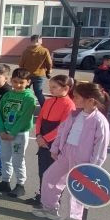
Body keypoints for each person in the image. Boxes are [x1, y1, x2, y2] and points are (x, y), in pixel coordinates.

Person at [33, 82, 110, 220]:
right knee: (50, 177)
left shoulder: (99, 121)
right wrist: (55, 148)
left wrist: (93, 167)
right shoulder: (75, 114)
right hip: (66, 152)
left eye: (76, 97)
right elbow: (62, 131)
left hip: (83, 160)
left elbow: (100, 147)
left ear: (90, 100)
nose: (73, 99)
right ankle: (49, 208)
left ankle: (75, 218)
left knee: (77, 187)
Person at [27, 75, 76, 208]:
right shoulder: (48, 101)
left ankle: (54, 201)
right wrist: (38, 135)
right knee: (43, 170)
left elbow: (62, 127)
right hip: (43, 140)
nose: (51, 89)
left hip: (56, 143)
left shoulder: (69, 105)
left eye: (54, 87)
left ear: (66, 88)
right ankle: (42, 196)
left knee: (54, 173)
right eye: (50, 87)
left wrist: (46, 139)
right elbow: (39, 119)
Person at [0, 68, 37, 197]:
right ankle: (5, 182)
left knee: (18, 159)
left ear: (28, 82)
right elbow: (0, 114)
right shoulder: (7, 95)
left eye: (21, 82)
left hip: (19, 135)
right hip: (5, 133)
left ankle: (20, 185)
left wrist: (13, 133)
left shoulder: (29, 98)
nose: (18, 85)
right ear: (11, 81)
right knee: (5, 157)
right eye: (15, 82)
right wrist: (1, 130)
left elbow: (25, 118)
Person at [18, 35, 52, 106]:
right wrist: (49, 71)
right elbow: (49, 63)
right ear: (38, 40)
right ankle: (44, 108)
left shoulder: (26, 51)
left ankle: (21, 106)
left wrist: (21, 72)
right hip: (40, 74)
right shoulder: (44, 50)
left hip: (27, 75)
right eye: (41, 40)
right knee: (38, 93)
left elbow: (21, 63)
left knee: (24, 91)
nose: (42, 41)